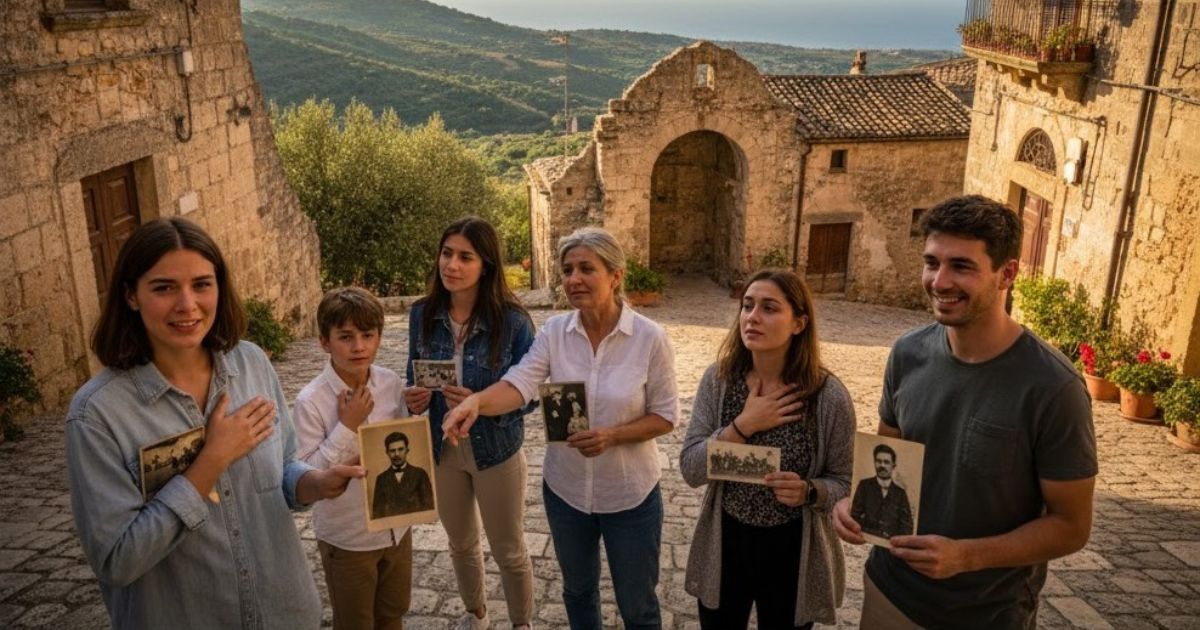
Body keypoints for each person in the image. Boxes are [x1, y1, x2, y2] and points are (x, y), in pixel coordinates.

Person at [65, 217, 363, 629]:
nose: (187, 304)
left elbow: (283, 469)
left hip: (285, 613)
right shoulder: (98, 415)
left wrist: (314, 482)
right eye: (164, 287)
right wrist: (211, 460)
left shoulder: (252, 363)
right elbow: (117, 560)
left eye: (202, 284)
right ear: (131, 295)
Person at [833, 195, 1097, 629]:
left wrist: (966, 556)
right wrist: (854, 504)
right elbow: (889, 453)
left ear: (1007, 273)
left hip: (985, 611)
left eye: (962, 266)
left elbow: (1071, 525)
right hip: (889, 591)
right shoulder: (907, 353)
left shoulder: (1053, 387)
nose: (939, 281)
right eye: (932, 262)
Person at [444, 226, 679, 630]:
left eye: (586, 268)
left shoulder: (649, 339)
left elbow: (666, 416)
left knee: (637, 604)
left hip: (630, 496)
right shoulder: (555, 333)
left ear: (616, 275)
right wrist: (477, 402)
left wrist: (611, 436)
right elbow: (519, 384)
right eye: (567, 269)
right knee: (577, 592)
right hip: (566, 491)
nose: (573, 279)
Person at [680, 269, 855, 629]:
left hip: (793, 547)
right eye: (747, 305)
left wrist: (810, 491)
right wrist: (743, 425)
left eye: (770, 308)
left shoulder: (827, 397)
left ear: (799, 323)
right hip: (727, 540)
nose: (752, 317)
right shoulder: (720, 382)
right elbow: (690, 468)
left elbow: (846, 481)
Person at [405, 217, 537, 630]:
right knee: (461, 543)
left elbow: (529, 398)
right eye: (447, 254)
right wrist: (414, 398)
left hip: (496, 450)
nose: (452, 265)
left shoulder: (513, 322)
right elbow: (413, 375)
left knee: (509, 550)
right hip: (443, 450)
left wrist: (484, 405)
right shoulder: (422, 314)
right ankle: (476, 615)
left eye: (465, 257)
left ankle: (521, 623)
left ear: (487, 265)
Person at [294, 286, 411, 630]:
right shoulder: (311, 400)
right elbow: (308, 473)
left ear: (378, 338)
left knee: (392, 614)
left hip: (396, 529)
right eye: (345, 337)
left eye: (367, 335)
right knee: (355, 622)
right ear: (324, 342)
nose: (358, 346)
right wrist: (348, 425)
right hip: (348, 536)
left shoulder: (391, 384)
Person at [850, 443, 914, 540]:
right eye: (878, 461)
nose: (882, 465)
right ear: (874, 462)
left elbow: (907, 525)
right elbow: (854, 515)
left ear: (893, 465)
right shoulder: (864, 486)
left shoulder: (900, 493)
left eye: (886, 462)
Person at [371, 431, 434, 517]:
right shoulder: (381, 479)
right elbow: (377, 513)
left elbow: (429, 506)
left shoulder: (420, 474)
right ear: (387, 453)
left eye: (400, 449)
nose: (397, 454)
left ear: (407, 450)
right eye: (392, 451)